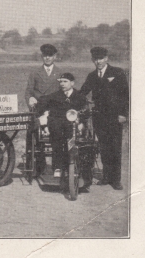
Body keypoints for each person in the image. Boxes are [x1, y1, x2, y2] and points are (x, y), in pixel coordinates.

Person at [79, 46, 129, 190]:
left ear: (106, 58)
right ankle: (106, 177)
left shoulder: (117, 73)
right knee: (104, 147)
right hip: (99, 117)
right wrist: (69, 94)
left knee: (115, 147)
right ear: (92, 60)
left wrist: (123, 114)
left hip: (115, 117)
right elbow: (83, 92)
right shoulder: (92, 76)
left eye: (101, 58)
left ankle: (116, 180)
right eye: (95, 59)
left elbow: (125, 95)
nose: (98, 62)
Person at [36, 73, 88, 178]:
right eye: (61, 82)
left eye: (65, 81)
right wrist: (42, 117)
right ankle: (58, 167)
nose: (62, 84)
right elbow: (41, 104)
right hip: (58, 126)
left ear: (72, 83)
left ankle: (74, 166)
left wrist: (82, 122)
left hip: (73, 126)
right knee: (57, 137)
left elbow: (85, 111)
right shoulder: (54, 96)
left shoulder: (80, 96)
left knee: (74, 139)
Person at [25, 44, 60, 109]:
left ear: (54, 56)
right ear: (41, 56)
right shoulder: (34, 73)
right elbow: (28, 92)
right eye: (45, 55)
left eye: (50, 55)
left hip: (55, 109)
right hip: (39, 109)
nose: (47, 58)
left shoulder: (60, 73)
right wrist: (30, 100)